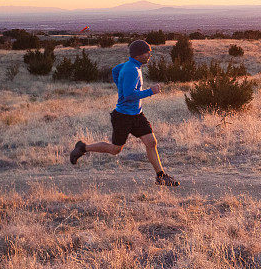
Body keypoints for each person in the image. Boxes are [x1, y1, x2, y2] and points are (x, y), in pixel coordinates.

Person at [70, 39, 179, 186]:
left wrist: (120, 86)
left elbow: (115, 70)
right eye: (148, 53)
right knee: (115, 149)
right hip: (123, 117)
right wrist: (150, 91)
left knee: (151, 142)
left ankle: (161, 176)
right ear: (138, 54)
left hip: (137, 115)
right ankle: (83, 147)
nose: (149, 55)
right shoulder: (131, 70)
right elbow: (129, 95)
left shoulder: (131, 66)